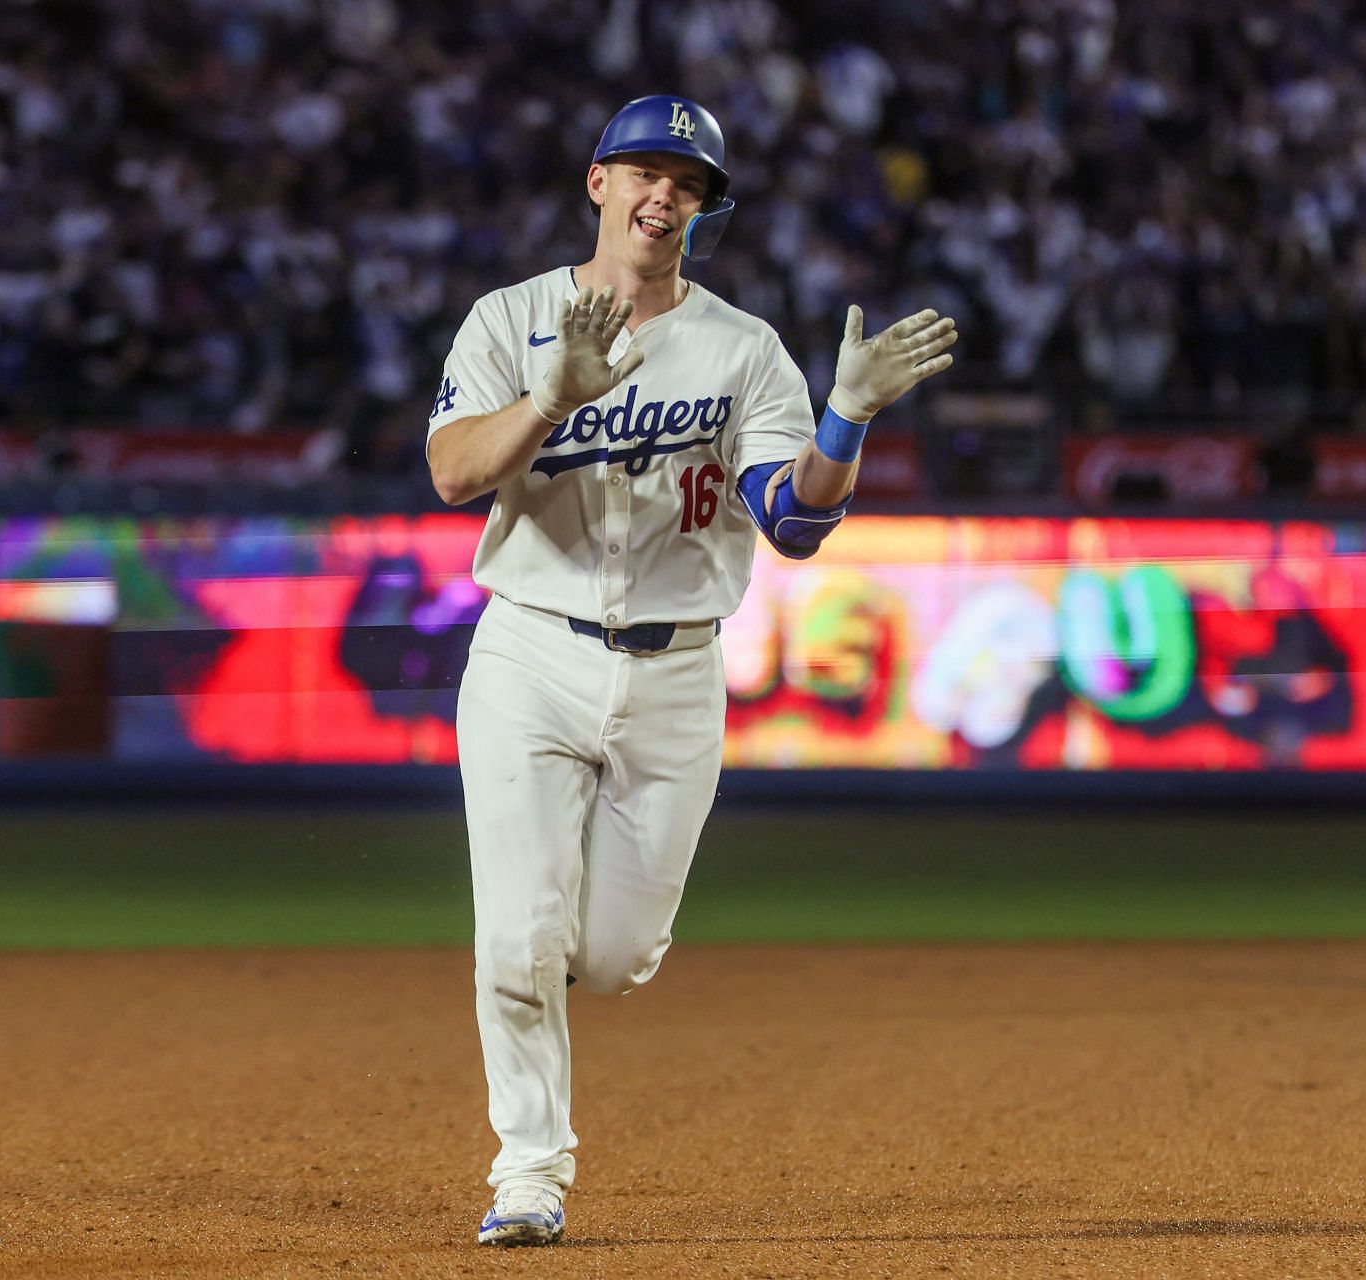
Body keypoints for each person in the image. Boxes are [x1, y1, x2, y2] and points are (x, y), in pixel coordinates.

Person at [425, 95, 958, 1246]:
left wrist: (845, 424)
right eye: (645, 171)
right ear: (598, 181)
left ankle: (546, 961)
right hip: (529, 645)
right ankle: (529, 1171)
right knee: (517, 939)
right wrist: (552, 397)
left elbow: (793, 521)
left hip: (676, 670)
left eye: (689, 181)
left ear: (705, 209)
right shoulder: (507, 319)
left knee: (611, 959)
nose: (664, 194)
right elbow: (456, 472)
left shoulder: (740, 347)